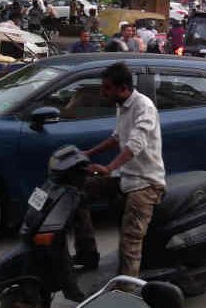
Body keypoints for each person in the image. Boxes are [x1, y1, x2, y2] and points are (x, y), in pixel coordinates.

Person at [74, 62, 166, 278]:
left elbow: (135, 144)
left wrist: (108, 167)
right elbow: (117, 137)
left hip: (146, 184)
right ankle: (87, 254)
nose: (102, 92)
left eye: (107, 88)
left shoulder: (144, 107)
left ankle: (127, 290)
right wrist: (88, 153)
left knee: (130, 241)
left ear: (122, 87)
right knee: (77, 194)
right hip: (125, 177)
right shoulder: (122, 105)